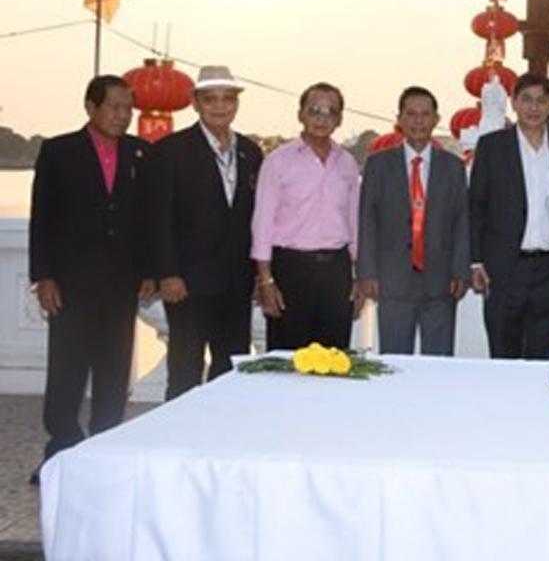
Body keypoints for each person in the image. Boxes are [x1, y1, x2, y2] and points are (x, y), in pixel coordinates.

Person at [29, 75, 156, 480]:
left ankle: (104, 445)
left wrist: (151, 270)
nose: (122, 115)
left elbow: (149, 222)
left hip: (121, 282)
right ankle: (61, 448)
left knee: (113, 368)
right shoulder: (59, 151)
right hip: (70, 283)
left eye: (128, 108)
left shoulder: (140, 153)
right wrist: (44, 276)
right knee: (67, 367)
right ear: (90, 106)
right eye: (114, 106)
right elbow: (42, 218)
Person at [151, 66, 264, 399]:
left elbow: (256, 218)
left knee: (229, 368)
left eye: (228, 98)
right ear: (196, 103)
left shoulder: (250, 151)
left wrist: (259, 274)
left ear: (236, 103)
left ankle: (221, 435)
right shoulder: (171, 151)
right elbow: (158, 219)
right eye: (211, 99)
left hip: (236, 281)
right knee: (185, 367)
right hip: (188, 282)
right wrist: (168, 273)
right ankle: (177, 436)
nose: (220, 106)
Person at [468, 73, 549, 359]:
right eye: (526, 100)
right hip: (506, 268)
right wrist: (476, 261)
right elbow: (476, 207)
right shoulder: (493, 147)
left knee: (546, 357)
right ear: (514, 103)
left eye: (541, 101)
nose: (534, 108)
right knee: (503, 353)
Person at [357, 86, 470, 355]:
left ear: (436, 119)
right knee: (395, 362)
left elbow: (461, 221)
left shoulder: (453, 167)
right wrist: (367, 272)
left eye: (425, 114)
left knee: (439, 363)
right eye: (411, 114)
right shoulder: (378, 164)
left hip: (441, 281)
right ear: (399, 119)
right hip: (392, 279)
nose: (418, 121)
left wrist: (460, 270)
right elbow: (367, 220)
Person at [251, 82, 361, 350]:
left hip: (337, 271)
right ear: (300, 114)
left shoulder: (347, 163)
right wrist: (266, 280)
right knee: (288, 360)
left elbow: (354, 221)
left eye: (330, 111)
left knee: (334, 360)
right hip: (291, 270)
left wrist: (358, 274)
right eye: (314, 110)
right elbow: (262, 224)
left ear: (339, 119)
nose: (322, 118)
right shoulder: (278, 161)